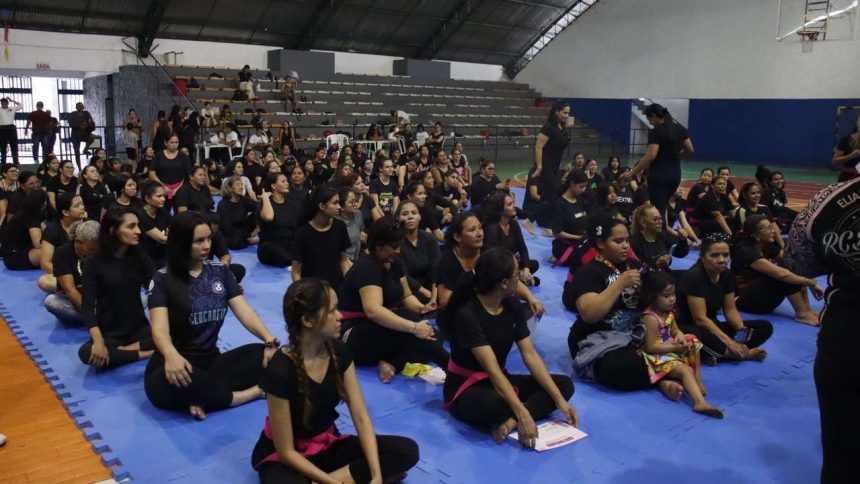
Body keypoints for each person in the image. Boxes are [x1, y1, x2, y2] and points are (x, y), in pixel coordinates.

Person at [251, 278, 419, 483]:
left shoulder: (339, 352)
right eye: (331, 311)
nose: (339, 316)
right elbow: (286, 452)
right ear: (308, 320)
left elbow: (360, 416)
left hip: (326, 448)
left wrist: (375, 474)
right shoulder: (280, 370)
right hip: (288, 458)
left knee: (406, 451)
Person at [144, 211, 279, 419]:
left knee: (267, 356)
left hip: (211, 363)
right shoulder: (163, 278)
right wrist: (171, 356)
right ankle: (247, 394)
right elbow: (159, 328)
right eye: (199, 241)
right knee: (175, 382)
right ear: (181, 242)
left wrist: (270, 341)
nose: (207, 246)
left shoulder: (220, 272)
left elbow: (245, 312)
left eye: (209, 239)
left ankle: (205, 398)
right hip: (173, 365)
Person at [441, 246, 577, 446]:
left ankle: (510, 421)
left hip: (500, 379)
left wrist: (559, 401)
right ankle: (518, 413)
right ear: (505, 283)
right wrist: (523, 413)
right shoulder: (468, 315)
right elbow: (493, 370)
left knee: (563, 386)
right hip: (467, 386)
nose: (520, 279)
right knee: (498, 406)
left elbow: (529, 354)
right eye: (517, 275)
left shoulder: (512, 306)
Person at [786, 176, 860, 483]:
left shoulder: (827, 203)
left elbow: (799, 264)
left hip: (847, 338)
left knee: (843, 453)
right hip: (847, 341)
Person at [567, 215, 674, 395]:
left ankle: (661, 374)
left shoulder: (634, 265)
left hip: (632, 333)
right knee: (616, 368)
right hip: (598, 337)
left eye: (626, 240)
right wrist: (619, 283)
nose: (626, 246)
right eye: (618, 241)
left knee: (689, 337)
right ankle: (663, 379)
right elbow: (590, 314)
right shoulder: (588, 272)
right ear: (601, 243)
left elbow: (657, 293)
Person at [337, 216, 449, 383]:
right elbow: (373, 311)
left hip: (381, 329)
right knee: (417, 331)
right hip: (355, 334)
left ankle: (392, 363)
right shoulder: (367, 267)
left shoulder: (394, 262)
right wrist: (413, 327)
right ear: (378, 245)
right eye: (393, 247)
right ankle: (453, 370)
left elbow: (406, 296)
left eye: (399, 246)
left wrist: (421, 308)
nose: (398, 251)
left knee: (433, 336)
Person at [676, 233, 773, 362]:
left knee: (764, 327)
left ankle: (720, 353)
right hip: (692, 328)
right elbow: (701, 319)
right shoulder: (695, 277)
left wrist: (741, 338)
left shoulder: (726, 274)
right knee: (699, 338)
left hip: (714, 326)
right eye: (714, 255)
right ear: (702, 257)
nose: (722, 259)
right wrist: (730, 342)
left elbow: (730, 310)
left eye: (725, 255)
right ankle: (743, 354)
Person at [637, 271, 722, 418]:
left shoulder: (668, 312)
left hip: (669, 346)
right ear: (652, 296)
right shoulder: (650, 318)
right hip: (656, 356)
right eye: (666, 296)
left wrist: (681, 337)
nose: (671, 299)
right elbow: (650, 347)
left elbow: (675, 330)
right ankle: (699, 402)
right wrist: (676, 347)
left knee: (693, 340)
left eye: (673, 295)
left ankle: (697, 380)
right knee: (685, 370)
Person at [78, 208, 155, 369]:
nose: (138, 231)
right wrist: (98, 342)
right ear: (113, 230)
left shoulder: (139, 256)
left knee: (179, 332)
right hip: (110, 332)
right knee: (86, 353)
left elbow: (156, 289)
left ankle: (125, 352)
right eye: (131, 227)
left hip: (139, 329)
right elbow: (87, 307)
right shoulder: (93, 263)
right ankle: (145, 354)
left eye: (138, 226)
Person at [436, 212, 545, 323]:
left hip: (488, 308)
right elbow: (446, 303)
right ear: (457, 237)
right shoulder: (447, 260)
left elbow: (511, 279)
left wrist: (531, 298)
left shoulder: (490, 253)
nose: (479, 234)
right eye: (472, 230)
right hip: (461, 315)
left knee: (527, 308)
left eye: (480, 228)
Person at [732, 214, 822, 324]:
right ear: (756, 235)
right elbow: (781, 274)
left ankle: (807, 309)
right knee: (783, 275)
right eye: (768, 228)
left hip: (759, 293)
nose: (774, 231)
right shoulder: (746, 252)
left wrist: (808, 274)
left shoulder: (766, 245)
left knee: (792, 267)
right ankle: (802, 313)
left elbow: (791, 261)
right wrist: (810, 283)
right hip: (744, 300)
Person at [622, 104, 693, 222]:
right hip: (675, 175)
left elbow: (650, 156)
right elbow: (690, 149)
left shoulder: (656, 131)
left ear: (654, 116)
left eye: (650, 120)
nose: (651, 123)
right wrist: (674, 153)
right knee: (663, 207)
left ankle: (659, 237)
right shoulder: (680, 129)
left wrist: (632, 173)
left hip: (659, 175)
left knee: (657, 211)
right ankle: (664, 233)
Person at [292, 186, 352, 288]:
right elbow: (296, 272)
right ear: (322, 206)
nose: (339, 207)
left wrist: (348, 284)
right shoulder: (303, 233)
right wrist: (304, 292)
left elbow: (344, 260)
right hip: (312, 290)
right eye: (335, 203)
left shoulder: (340, 226)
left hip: (336, 286)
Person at [44, 220, 99, 325]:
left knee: (139, 299)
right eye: (91, 249)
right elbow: (71, 290)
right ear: (77, 242)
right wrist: (91, 316)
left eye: (97, 249)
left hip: (99, 300)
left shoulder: (100, 250)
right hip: (77, 303)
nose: (94, 252)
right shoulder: (62, 254)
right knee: (52, 302)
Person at [483, 191, 539, 287]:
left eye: (513, 203)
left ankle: (519, 278)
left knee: (533, 264)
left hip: (512, 263)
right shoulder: (492, 229)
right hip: (498, 267)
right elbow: (495, 259)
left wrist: (526, 269)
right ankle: (518, 279)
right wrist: (513, 259)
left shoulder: (513, 224)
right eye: (509, 204)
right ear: (500, 210)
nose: (514, 206)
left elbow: (523, 249)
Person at [395, 201, 440, 306]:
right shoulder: (395, 242)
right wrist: (427, 293)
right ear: (398, 218)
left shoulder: (429, 239)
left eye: (414, 213)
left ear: (419, 216)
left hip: (431, 285)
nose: (410, 217)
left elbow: (436, 269)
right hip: (407, 289)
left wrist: (434, 296)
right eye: (405, 214)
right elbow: (402, 275)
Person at [39, 193, 86, 292]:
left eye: (82, 204)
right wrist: (68, 275)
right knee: (44, 281)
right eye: (77, 206)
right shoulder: (52, 230)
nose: (82, 208)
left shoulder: (88, 225)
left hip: (87, 270)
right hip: (66, 271)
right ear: (65, 212)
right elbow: (45, 263)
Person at [630, 204, 689, 276]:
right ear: (643, 223)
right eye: (655, 219)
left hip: (665, 275)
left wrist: (683, 240)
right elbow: (639, 271)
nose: (660, 222)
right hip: (649, 280)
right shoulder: (635, 243)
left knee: (691, 275)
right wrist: (656, 264)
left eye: (660, 218)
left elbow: (680, 254)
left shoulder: (662, 235)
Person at [257, 173, 301, 267]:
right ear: (273, 186)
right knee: (273, 250)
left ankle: (296, 260)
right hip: (271, 245)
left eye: (287, 181)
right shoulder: (264, 204)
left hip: (289, 243)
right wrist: (265, 199)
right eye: (283, 181)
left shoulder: (293, 205)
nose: (287, 183)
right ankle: (295, 261)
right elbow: (269, 217)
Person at [532, 101, 570, 206]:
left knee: (547, 195)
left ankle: (530, 219)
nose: (567, 116)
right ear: (556, 112)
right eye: (564, 113)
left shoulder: (562, 128)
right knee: (556, 193)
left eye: (568, 113)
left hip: (555, 168)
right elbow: (538, 147)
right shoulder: (548, 127)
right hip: (546, 167)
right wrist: (539, 167)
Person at [0, 189, 46, 270]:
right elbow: (38, 244)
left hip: (12, 254)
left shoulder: (24, 212)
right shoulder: (31, 217)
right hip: (14, 258)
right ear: (44, 204)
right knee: (50, 253)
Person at [551, 170, 589, 264]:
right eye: (581, 187)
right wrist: (577, 237)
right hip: (564, 246)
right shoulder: (560, 204)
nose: (583, 190)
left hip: (581, 243)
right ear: (572, 184)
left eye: (585, 187)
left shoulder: (580, 200)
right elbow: (556, 232)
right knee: (588, 259)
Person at [149, 133, 193, 207]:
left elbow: (189, 174)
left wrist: (178, 188)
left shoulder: (183, 156)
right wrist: (163, 187)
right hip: (162, 189)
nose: (174, 145)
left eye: (176, 142)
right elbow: (151, 173)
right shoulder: (158, 155)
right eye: (172, 142)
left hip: (180, 189)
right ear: (165, 143)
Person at [217, 176, 258, 250]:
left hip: (242, 228)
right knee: (234, 242)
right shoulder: (222, 205)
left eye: (241, 185)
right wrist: (249, 234)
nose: (241, 187)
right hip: (230, 234)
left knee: (260, 210)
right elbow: (227, 229)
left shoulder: (243, 200)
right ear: (230, 188)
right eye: (237, 185)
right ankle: (248, 241)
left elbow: (258, 206)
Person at [338, 186, 365, 263]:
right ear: (341, 207)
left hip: (356, 258)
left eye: (356, 201)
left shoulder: (358, 214)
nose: (356, 204)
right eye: (351, 202)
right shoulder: (336, 222)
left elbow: (359, 238)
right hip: (342, 260)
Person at [68, 102, 97, 170]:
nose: (81, 107)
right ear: (76, 107)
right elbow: (71, 124)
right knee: (77, 153)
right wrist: (79, 126)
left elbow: (91, 122)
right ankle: (80, 168)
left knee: (92, 137)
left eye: (82, 106)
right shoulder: (73, 114)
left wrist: (89, 123)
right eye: (79, 106)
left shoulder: (86, 113)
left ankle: (85, 149)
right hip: (75, 135)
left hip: (85, 133)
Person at [0, 98, 23, 167]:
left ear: (7, 103)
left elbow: (21, 105)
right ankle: (3, 162)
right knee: (3, 146)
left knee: (14, 146)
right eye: (2, 103)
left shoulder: (12, 108)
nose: (4, 105)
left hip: (11, 128)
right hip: (2, 128)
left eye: (5, 103)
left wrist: (12, 100)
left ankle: (15, 161)